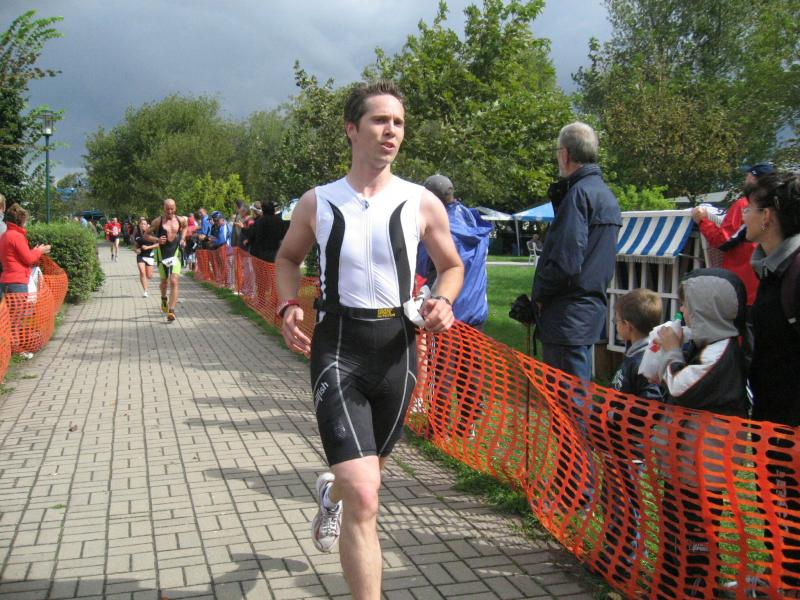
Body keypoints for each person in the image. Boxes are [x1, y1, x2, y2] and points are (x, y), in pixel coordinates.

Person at [275, 80, 463, 600]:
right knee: (366, 493)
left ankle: (330, 492)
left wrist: (443, 301)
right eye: (380, 120)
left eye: (398, 123)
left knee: (364, 479)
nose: (391, 131)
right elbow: (287, 258)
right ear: (351, 129)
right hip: (338, 346)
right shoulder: (318, 201)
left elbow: (451, 266)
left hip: (398, 349)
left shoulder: (421, 202)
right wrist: (288, 303)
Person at [530, 122, 622, 381]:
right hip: (586, 312)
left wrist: (539, 295)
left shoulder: (579, 195)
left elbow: (566, 262)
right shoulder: (604, 195)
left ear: (565, 154)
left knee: (566, 400)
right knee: (575, 395)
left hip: (568, 315)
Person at [692, 163, 773, 310]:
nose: (745, 178)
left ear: (754, 179)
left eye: (748, 175)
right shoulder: (778, 206)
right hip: (767, 288)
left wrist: (702, 221)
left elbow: (723, 240)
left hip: (742, 287)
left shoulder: (745, 204)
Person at [611, 288, 664, 401]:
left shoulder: (645, 364)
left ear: (627, 325)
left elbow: (652, 402)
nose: (615, 324)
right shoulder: (635, 352)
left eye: (617, 320)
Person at [144, 199, 187, 322]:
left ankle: (171, 311)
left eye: (172, 208)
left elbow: (185, 227)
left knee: (174, 281)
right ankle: (163, 298)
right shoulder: (158, 221)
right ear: (164, 208)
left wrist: (183, 239)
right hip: (162, 256)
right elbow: (145, 235)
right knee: (164, 282)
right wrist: (157, 240)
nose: (170, 211)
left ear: (175, 208)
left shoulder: (180, 220)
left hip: (175, 255)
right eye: (167, 209)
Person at [0, 203, 51, 300]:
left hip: (5, 281)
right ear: (21, 221)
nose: (26, 224)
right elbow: (29, 259)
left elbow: (18, 256)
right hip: (17, 283)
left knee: (9, 310)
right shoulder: (17, 236)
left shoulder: (5, 235)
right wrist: (39, 251)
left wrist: (34, 251)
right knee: (21, 310)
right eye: (26, 221)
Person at [133, 217, 158, 297]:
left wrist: (148, 247)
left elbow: (158, 245)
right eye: (141, 224)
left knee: (149, 276)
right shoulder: (137, 235)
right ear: (139, 225)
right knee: (142, 272)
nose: (143, 225)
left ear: (147, 225)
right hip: (140, 255)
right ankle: (145, 290)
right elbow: (135, 246)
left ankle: (146, 284)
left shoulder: (152, 234)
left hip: (150, 256)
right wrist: (136, 250)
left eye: (144, 224)